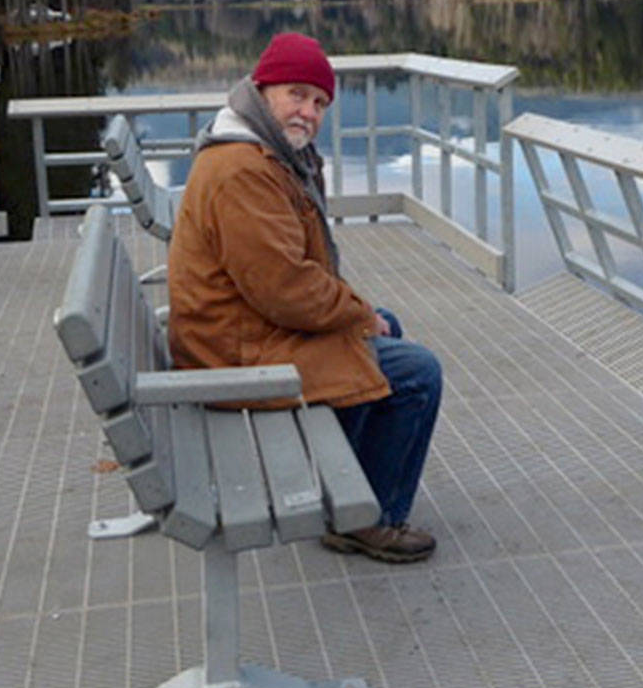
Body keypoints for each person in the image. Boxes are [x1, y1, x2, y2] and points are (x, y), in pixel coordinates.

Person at [167, 32, 442, 563]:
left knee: (388, 325)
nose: (308, 112)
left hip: (235, 331)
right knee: (417, 371)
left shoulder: (258, 151)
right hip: (233, 353)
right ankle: (368, 519)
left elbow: (284, 282)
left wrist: (363, 316)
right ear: (264, 89)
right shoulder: (243, 168)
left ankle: (348, 493)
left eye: (319, 103)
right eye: (297, 94)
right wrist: (358, 314)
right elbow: (286, 290)